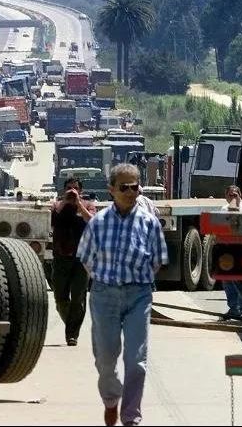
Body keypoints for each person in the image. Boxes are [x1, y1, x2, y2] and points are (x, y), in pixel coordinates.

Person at [77, 164, 169, 427]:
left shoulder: (149, 223)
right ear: (112, 190)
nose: (130, 192)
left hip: (138, 296)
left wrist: (138, 282)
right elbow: (86, 259)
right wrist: (104, 281)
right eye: (124, 187)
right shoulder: (98, 223)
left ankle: (131, 418)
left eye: (134, 187)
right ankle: (110, 400)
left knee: (135, 360)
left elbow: (158, 261)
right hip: (104, 295)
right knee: (105, 359)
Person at [50, 177, 96, 346]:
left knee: (78, 297)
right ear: (63, 190)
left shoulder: (88, 205)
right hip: (61, 257)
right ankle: (71, 324)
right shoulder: (57, 205)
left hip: (81, 259)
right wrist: (64, 202)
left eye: (75, 188)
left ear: (81, 191)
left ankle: (72, 335)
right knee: (60, 298)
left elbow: (92, 221)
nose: (72, 191)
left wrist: (78, 203)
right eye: (69, 188)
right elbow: (52, 220)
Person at [219, 185, 242, 321]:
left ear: (240, 196)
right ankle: (234, 309)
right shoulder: (223, 210)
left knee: (239, 281)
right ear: (226, 197)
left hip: (241, 249)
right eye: (230, 195)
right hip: (227, 249)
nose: (233, 197)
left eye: (235, 195)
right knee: (227, 281)